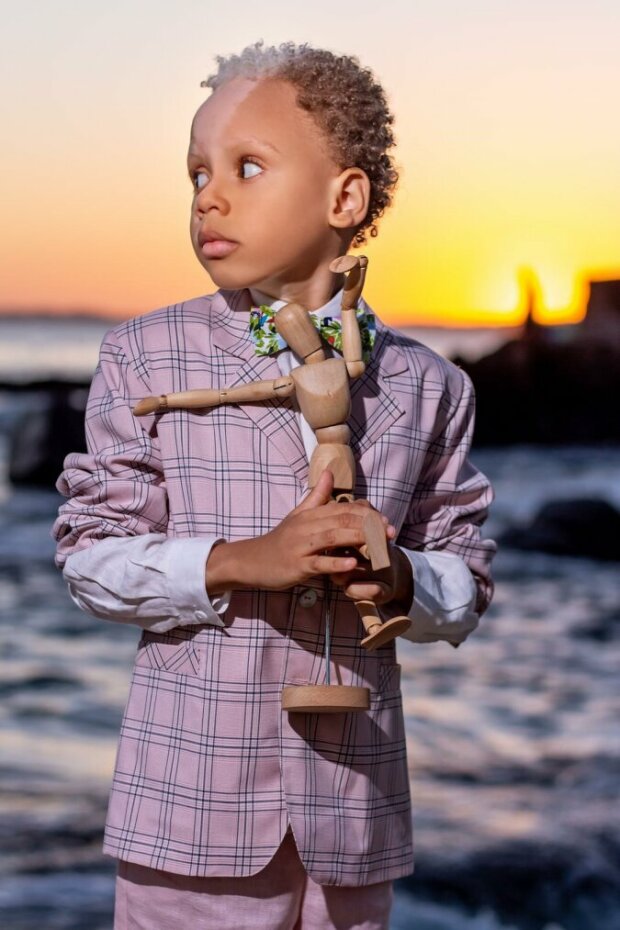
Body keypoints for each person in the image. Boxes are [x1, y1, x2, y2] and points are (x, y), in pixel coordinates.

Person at [52, 40, 496, 930]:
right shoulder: (145, 355)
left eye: (246, 168)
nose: (207, 197)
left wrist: (402, 578)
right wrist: (241, 559)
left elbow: (467, 578)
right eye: (196, 174)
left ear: (345, 199)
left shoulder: (429, 385)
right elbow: (89, 560)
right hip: (190, 821)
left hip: (354, 822)